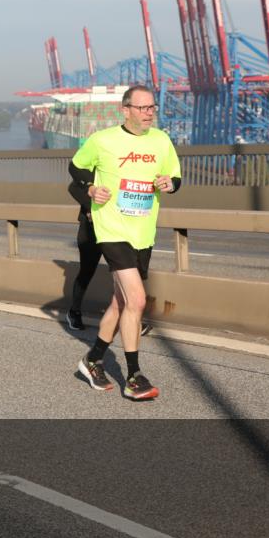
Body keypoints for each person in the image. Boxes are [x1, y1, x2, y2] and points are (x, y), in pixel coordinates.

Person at [70, 85, 181, 400]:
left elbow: (175, 178)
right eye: (142, 108)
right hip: (112, 230)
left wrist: (169, 184)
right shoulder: (102, 140)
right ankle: (133, 377)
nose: (149, 113)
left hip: (143, 232)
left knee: (121, 304)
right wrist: (91, 189)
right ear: (126, 109)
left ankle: (92, 360)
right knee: (137, 301)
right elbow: (75, 168)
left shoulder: (161, 140)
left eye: (152, 108)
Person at [66, 177, 153, 337]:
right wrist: (91, 207)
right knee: (87, 271)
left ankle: (133, 321)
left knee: (124, 272)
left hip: (116, 230)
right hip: (92, 229)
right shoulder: (98, 168)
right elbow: (73, 187)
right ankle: (74, 311)